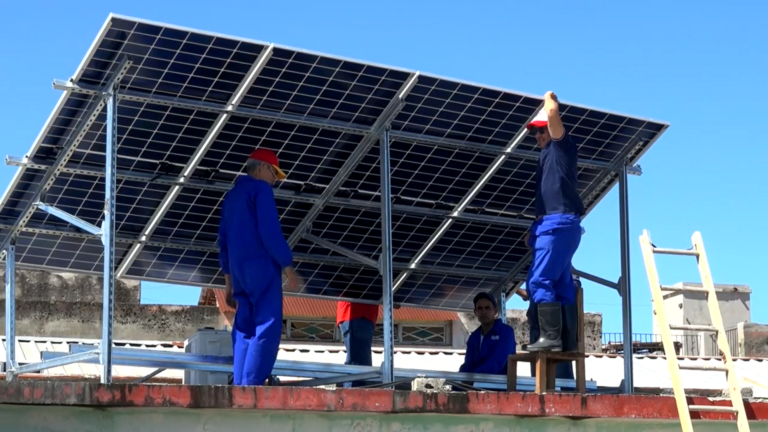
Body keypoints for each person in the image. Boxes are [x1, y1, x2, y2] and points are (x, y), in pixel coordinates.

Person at [219, 148, 302, 386]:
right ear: (263, 168)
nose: (276, 180)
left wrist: (228, 283)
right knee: (267, 324)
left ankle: (240, 385)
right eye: (275, 173)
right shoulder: (261, 190)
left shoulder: (231, 197)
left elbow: (223, 241)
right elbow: (269, 231)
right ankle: (252, 384)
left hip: (238, 273)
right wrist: (287, 265)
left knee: (244, 328)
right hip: (261, 267)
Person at [525, 91, 585, 353]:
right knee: (560, 283)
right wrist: (535, 229)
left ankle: (550, 338)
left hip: (558, 224)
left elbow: (551, 114)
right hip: (554, 225)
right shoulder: (545, 156)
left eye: (542, 131)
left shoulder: (561, 148)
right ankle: (567, 342)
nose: (538, 136)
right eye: (534, 133)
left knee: (538, 281)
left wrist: (549, 98)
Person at [459, 292, 516, 377]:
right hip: (474, 385)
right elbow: (468, 365)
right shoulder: (473, 337)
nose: (483, 311)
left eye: (487, 308)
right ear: (475, 312)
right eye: (480, 308)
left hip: (500, 386)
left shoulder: (506, 332)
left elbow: (497, 361)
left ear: (495, 311)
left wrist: (474, 377)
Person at [336, 300, 379, 387]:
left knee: (360, 363)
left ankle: (353, 394)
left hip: (360, 313)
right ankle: (352, 396)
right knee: (359, 364)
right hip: (359, 312)